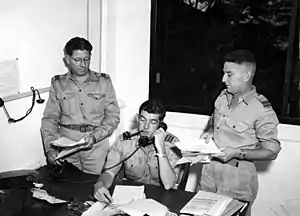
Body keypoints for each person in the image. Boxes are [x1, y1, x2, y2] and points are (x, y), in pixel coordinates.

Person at [198, 50, 281, 216]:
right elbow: (214, 119)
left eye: (229, 74)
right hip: (209, 169)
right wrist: (208, 131)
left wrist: (237, 152)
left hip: (237, 177)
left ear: (246, 76)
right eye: (223, 74)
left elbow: (272, 151)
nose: (223, 80)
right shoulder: (223, 97)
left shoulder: (261, 109)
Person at [41, 37, 120, 175]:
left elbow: (113, 116)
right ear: (67, 59)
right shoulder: (58, 83)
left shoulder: (103, 82)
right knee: (68, 187)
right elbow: (50, 119)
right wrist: (50, 148)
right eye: (77, 60)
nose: (83, 64)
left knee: (94, 187)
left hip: (95, 146)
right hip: (66, 148)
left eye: (86, 59)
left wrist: (95, 136)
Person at [93, 99, 181, 202]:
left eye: (152, 122)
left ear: (160, 125)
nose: (146, 127)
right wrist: (100, 184)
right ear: (137, 118)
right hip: (132, 197)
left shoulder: (172, 144)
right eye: (143, 120)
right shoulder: (124, 140)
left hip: (161, 198)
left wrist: (161, 150)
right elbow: (109, 172)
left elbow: (169, 185)